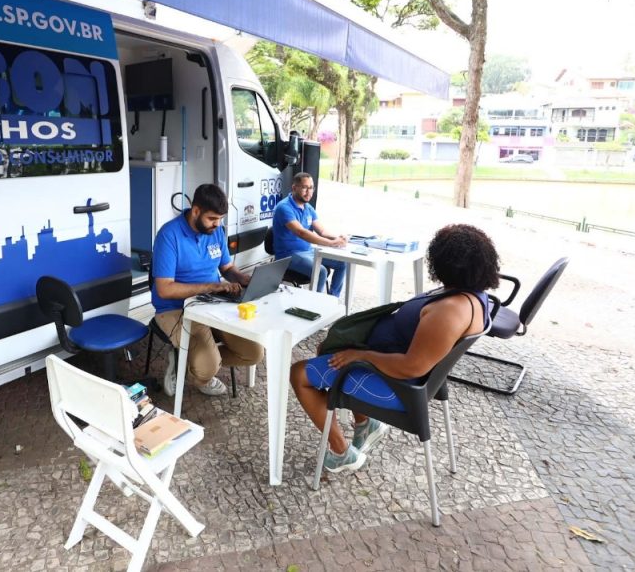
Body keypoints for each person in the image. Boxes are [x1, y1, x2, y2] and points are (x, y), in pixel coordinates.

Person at [289, 223, 499, 473]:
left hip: (396, 387)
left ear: (446, 264)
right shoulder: (467, 294)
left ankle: (341, 452)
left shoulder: (451, 311)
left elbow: (412, 367)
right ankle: (366, 425)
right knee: (327, 350)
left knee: (299, 374)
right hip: (390, 368)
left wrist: (360, 354)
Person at [152, 184, 264, 396]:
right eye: (212, 218)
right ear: (196, 211)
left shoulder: (216, 231)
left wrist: (245, 279)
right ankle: (197, 367)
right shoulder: (169, 235)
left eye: (220, 219)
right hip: (175, 309)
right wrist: (212, 286)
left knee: (253, 352)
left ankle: (187, 360)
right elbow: (164, 290)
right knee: (207, 368)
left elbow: (227, 268)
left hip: (214, 302)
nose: (217, 224)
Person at [272, 172, 348, 297]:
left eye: (311, 187)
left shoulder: (308, 208)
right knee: (321, 271)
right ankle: (315, 304)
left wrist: (337, 238)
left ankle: (333, 299)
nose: (309, 192)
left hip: (308, 252)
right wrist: (331, 243)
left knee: (342, 263)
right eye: (304, 187)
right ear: (294, 188)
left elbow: (322, 231)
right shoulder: (284, 207)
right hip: (288, 256)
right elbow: (301, 232)